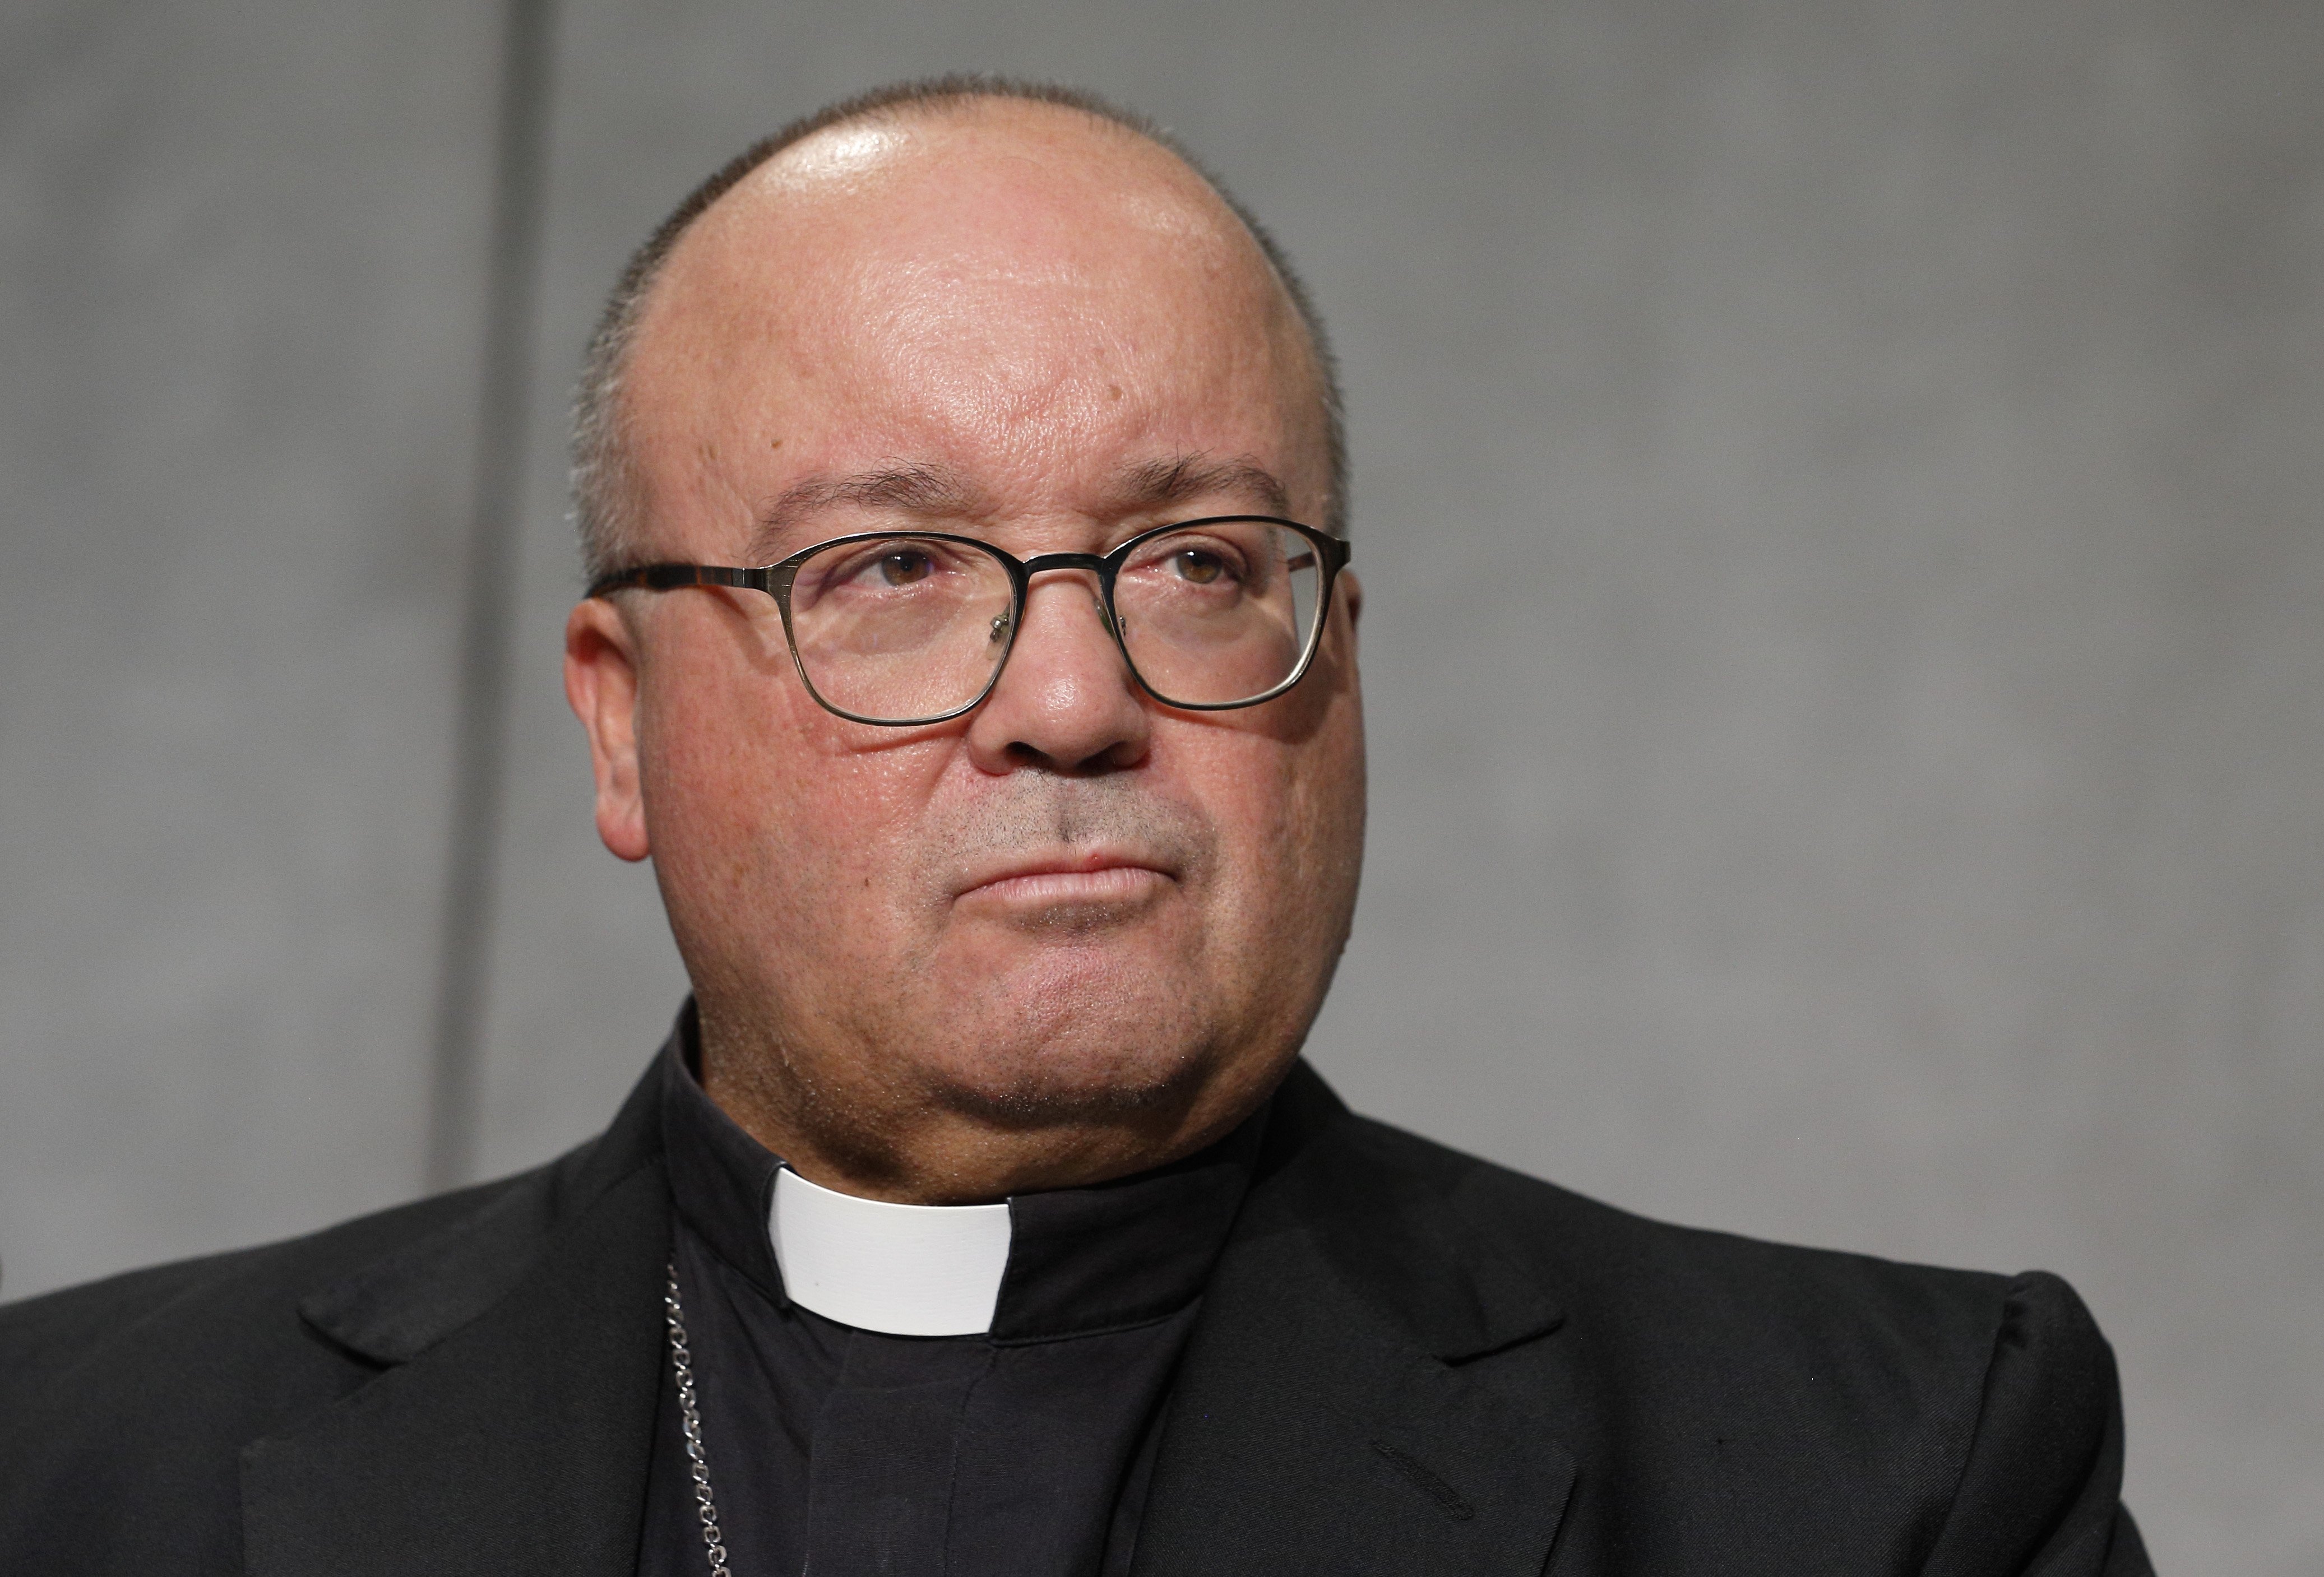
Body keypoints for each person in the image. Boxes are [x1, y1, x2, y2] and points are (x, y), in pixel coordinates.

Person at [0, 78, 2151, 1576]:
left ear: (1340, 661)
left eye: (1202, 561)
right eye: (890, 568)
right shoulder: (77, 1468)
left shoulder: (1888, 1477)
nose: (1068, 702)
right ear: (621, 725)